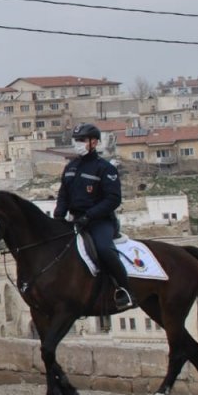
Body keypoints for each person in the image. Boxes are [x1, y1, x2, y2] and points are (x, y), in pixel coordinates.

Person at [53, 122, 132, 310]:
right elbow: (63, 195)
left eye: (82, 140)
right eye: (76, 140)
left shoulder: (105, 168)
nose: (78, 144)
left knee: (104, 250)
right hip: (75, 220)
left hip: (100, 221)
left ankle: (125, 290)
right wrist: (57, 218)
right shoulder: (71, 167)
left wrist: (89, 216)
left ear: (94, 142)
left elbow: (113, 199)